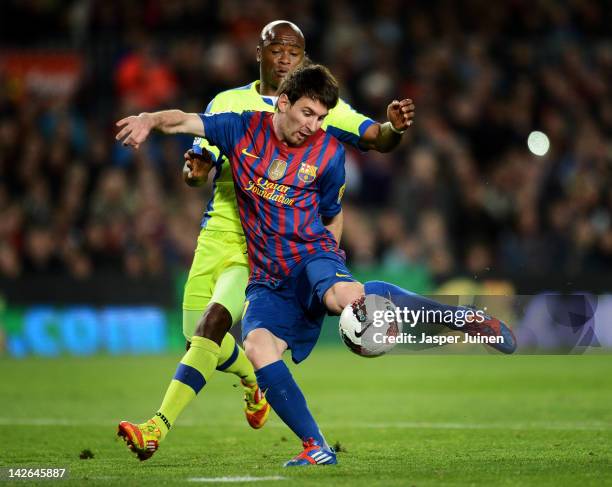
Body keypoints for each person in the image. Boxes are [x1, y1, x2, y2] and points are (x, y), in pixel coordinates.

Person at [116, 64, 517, 466]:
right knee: (257, 346)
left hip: (311, 257)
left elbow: (332, 211)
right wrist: (149, 119)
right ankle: (316, 445)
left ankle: (466, 320)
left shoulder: (328, 152)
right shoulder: (241, 129)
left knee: (347, 297)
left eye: (322, 117)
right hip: (267, 278)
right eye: (308, 113)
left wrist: (331, 263)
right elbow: (185, 121)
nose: (314, 125)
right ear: (284, 103)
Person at [116, 20, 415, 461]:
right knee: (198, 339)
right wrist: (190, 170)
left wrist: (393, 129)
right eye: (278, 49)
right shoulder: (232, 105)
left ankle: (156, 426)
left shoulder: (317, 109)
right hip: (217, 230)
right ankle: (255, 379)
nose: (286, 58)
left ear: (305, 59)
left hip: (264, 245)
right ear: (261, 52)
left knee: (214, 324)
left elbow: (376, 137)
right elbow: (198, 161)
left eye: (295, 52)